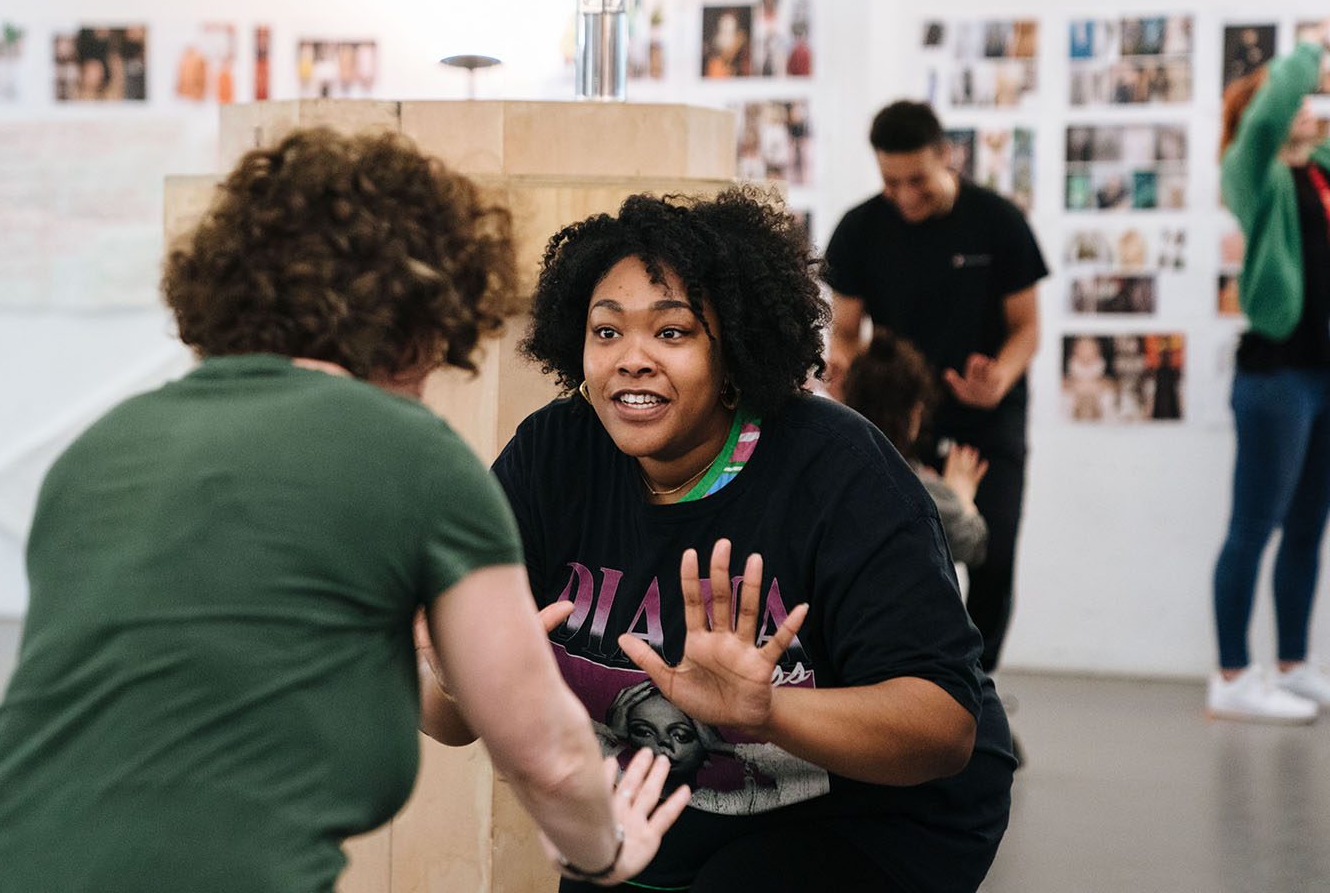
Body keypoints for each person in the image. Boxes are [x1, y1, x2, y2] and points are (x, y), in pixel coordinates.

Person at [0, 129, 689, 892]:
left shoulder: (105, 447)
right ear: (418, 322)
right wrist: (602, 848)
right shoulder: (411, 454)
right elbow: (546, 754)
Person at [436, 188, 1014, 891]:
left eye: (672, 332)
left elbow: (942, 728)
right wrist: (442, 664)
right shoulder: (552, 456)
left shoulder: (838, 468)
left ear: (735, 350)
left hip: (874, 813)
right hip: (673, 803)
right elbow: (451, 719)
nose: (632, 359)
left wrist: (769, 711)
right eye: (607, 331)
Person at [826, 100, 1047, 675]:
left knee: (992, 557)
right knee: (902, 551)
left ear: (946, 156)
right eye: (890, 181)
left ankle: (978, 686)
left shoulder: (997, 221)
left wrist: (999, 376)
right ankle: (917, 679)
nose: (904, 195)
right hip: (898, 418)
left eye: (917, 179)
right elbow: (845, 332)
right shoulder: (859, 229)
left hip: (987, 415)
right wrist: (842, 369)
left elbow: (1027, 327)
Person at [1207, 26, 1330, 723]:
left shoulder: (1319, 168)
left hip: (1321, 372)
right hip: (1277, 376)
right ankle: (1230, 675)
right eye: (1297, 99)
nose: (1309, 104)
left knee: (1309, 527)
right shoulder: (1253, 174)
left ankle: (1290, 664)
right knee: (1254, 525)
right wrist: (1309, 49)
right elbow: (1269, 109)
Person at [839, 329, 988, 571]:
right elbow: (972, 542)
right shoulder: (921, 488)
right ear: (914, 414)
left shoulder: (839, 478)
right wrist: (962, 495)